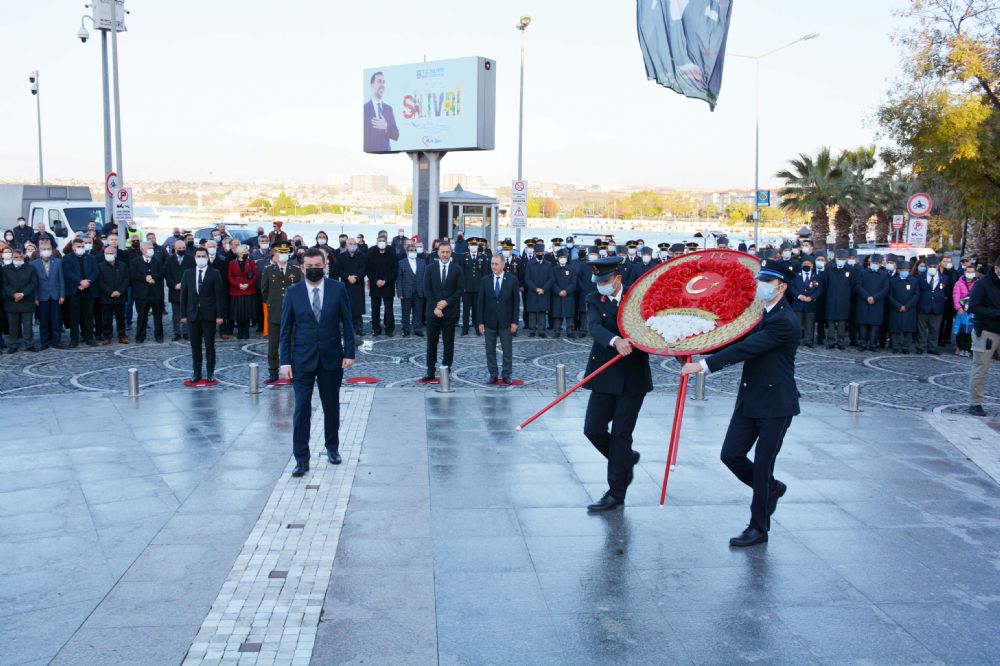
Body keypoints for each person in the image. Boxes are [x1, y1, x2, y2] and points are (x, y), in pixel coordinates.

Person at [680, 259, 800, 547]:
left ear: (781, 286)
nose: (761, 286)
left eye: (767, 282)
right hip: (750, 398)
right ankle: (772, 489)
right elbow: (735, 338)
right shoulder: (763, 313)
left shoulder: (784, 320)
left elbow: (748, 348)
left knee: (761, 466)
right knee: (730, 455)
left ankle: (758, 528)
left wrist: (704, 366)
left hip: (775, 404)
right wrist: (694, 346)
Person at [582, 258, 652, 512]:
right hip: (604, 371)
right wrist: (614, 341)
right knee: (593, 429)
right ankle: (625, 460)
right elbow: (594, 326)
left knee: (621, 435)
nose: (601, 285)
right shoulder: (593, 299)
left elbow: (655, 328)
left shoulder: (637, 298)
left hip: (633, 377)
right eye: (598, 281)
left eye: (605, 281)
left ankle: (616, 493)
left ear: (617, 278)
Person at [279, 248, 356, 477]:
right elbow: (285, 331)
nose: (314, 269)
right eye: (309, 266)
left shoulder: (337, 288)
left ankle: (332, 448)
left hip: (332, 358)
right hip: (302, 360)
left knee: (331, 406)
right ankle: (301, 459)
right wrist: (285, 362)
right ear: (302, 267)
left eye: (317, 266)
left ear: (325, 265)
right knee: (301, 410)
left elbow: (347, 323)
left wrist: (349, 353)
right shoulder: (292, 292)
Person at [180, 247, 225, 382]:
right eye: (198, 256)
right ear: (195, 258)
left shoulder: (215, 273)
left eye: (203, 256)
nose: (200, 258)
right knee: (195, 346)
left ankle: (210, 372)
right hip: (193, 314)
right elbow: (184, 295)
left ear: (207, 257)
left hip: (209, 314)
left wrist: (219, 315)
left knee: (210, 345)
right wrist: (183, 314)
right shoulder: (188, 273)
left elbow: (219, 296)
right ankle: (197, 372)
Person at [421, 242, 463, 382]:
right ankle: (430, 370)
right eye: (443, 252)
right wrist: (437, 307)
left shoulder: (457, 269)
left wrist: (447, 302)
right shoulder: (430, 268)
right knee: (431, 343)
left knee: (448, 343)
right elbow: (426, 289)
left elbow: (459, 290)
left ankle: (446, 370)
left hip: (450, 312)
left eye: (447, 252)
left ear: (451, 253)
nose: (445, 254)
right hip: (433, 311)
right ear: (438, 253)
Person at [477, 254, 520, 385]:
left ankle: (506, 374)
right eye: (492, 264)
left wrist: (514, 322)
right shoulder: (485, 280)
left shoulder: (512, 280)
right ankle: (493, 374)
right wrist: (480, 322)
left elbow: (516, 303)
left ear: (503, 265)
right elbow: (480, 303)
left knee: (507, 350)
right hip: (489, 321)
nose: (493, 266)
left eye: (496, 264)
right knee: (490, 350)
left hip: (506, 321)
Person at [261, 242, 301, 382]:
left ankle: (292, 370)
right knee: (273, 344)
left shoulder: (295, 270)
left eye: (285, 253)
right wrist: (272, 304)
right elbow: (264, 291)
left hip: (292, 312)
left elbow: (300, 289)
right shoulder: (268, 270)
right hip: (275, 312)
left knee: (292, 343)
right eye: (280, 252)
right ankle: (273, 370)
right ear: (275, 254)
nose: (282, 255)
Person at [967, 255, 1000, 416]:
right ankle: (975, 403)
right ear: (997, 268)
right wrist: (996, 313)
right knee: (981, 367)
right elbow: (973, 307)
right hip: (987, 331)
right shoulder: (983, 284)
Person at [62, 237, 99, 347]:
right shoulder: (67, 259)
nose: (81, 249)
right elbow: (67, 273)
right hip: (75, 291)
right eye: (79, 247)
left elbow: (95, 271)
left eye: (82, 246)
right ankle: (74, 339)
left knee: (88, 316)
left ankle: (89, 338)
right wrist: (79, 282)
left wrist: (87, 282)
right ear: (73, 247)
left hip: (88, 290)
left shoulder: (91, 258)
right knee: (74, 316)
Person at [129, 241, 165, 343]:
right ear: (142, 250)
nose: (151, 250)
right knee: (142, 316)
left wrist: (152, 277)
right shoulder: (135, 262)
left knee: (158, 316)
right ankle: (140, 336)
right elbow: (133, 275)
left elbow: (162, 272)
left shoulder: (157, 261)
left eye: (152, 248)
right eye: (149, 248)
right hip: (142, 294)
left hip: (156, 293)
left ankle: (159, 336)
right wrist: (145, 278)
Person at [31, 241, 65, 350]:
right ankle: (44, 341)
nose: (46, 251)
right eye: (44, 249)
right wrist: (35, 297)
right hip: (42, 296)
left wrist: (62, 295)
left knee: (55, 320)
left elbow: (61, 280)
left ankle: (56, 341)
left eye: (48, 249)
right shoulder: (34, 264)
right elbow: (34, 283)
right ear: (40, 251)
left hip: (55, 295)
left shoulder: (58, 262)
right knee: (44, 320)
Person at [3, 248, 38, 352]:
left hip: (26, 300)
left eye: (20, 257)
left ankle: (29, 344)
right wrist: (13, 294)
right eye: (16, 257)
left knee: (27, 325)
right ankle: (13, 345)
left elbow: (33, 283)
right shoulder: (5, 269)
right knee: (13, 326)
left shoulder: (30, 268)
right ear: (12, 257)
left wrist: (23, 294)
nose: (18, 259)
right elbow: (5, 284)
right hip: (12, 301)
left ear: (24, 257)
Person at [854, 253, 889, 351]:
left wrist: (875, 297)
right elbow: (858, 286)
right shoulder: (863, 273)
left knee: (875, 325)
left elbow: (885, 289)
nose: (875, 264)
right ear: (870, 262)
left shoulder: (884, 274)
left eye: (877, 263)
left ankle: (873, 344)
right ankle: (863, 343)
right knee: (863, 324)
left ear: (880, 264)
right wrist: (867, 297)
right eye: (874, 262)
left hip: (877, 303)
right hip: (864, 302)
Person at [820, 249, 854, 349]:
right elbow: (825, 283)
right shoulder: (829, 269)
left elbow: (853, 284)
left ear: (846, 259)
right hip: (831, 298)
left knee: (842, 321)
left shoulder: (850, 270)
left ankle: (841, 342)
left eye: (843, 259)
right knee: (830, 321)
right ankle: (830, 341)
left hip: (844, 300)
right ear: (835, 259)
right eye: (839, 258)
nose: (841, 260)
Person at [365, 235, 398, 336]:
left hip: (388, 285)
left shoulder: (392, 254)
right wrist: (376, 281)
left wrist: (385, 280)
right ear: (376, 241)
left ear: (386, 242)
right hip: (375, 286)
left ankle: (389, 328)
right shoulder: (371, 254)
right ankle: (376, 329)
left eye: (383, 240)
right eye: (380, 240)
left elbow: (394, 271)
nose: (381, 242)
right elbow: (368, 270)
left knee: (389, 309)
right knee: (375, 309)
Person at [916, 255, 949, 355]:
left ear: (938, 266)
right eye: (930, 266)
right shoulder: (920, 277)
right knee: (921, 329)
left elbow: (947, 292)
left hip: (937, 307)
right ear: (926, 266)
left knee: (934, 329)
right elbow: (917, 291)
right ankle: (920, 347)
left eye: (934, 266)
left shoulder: (945, 278)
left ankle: (932, 347)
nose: (932, 268)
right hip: (923, 306)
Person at [97, 245, 130, 344]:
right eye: (107, 253)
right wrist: (110, 292)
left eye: (111, 253)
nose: (109, 255)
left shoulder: (122, 265)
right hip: (106, 296)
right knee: (106, 318)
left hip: (120, 295)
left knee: (121, 318)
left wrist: (119, 291)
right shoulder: (100, 266)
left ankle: (122, 335)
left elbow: (126, 279)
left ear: (115, 254)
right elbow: (100, 282)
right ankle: (107, 336)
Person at [363, 71, 400, 152]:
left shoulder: (388, 109)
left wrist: (386, 127)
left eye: (383, 82)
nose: (382, 85)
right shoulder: (364, 109)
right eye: (379, 81)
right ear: (372, 85)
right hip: (369, 156)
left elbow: (396, 135)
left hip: (387, 155)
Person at [165, 239, 194, 340]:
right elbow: (167, 274)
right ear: (175, 248)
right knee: (176, 313)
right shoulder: (169, 259)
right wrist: (174, 285)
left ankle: (186, 332)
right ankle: (176, 333)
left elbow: (193, 273)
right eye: (179, 248)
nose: (182, 250)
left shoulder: (191, 259)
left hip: (187, 290)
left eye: (183, 248)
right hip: (174, 290)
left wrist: (185, 284)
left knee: (187, 312)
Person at [888, 261, 919, 354]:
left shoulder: (914, 281)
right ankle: (896, 346)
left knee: (908, 329)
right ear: (898, 270)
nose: (904, 271)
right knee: (895, 328)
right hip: (896, 308)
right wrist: (898, 306)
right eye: (902, 270)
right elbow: (889, 296)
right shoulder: (893, 281)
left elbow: (916, 295)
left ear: (909, 270)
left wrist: (907, 306)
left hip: (909, 309)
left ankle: (906, 347)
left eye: (906, 270)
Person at [227, 245, 257, 340]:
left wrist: (248, 284)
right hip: (236, 291)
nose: (244, 254)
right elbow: (230, 276)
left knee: (247, 312)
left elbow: (255, 275)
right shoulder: (232, 263)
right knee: (238, 313)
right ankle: (240, 331)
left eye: (245, 253)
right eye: (242, 253)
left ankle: (246, 331)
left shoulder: (250, 262)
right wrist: (238, 285)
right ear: (238, 254)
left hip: (248, 290)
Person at [337, 239, 366, 337]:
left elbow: (364, 269)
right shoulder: (341, 257)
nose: (352, 245)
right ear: (346, 245)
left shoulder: (361, 256)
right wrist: (348, 277)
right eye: (350, 244)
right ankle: (347, 328)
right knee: (346, 307)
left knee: (358, 308)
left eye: (354, 244)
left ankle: (359, 329)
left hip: (358, 285)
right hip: (346, 285)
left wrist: (356, 277)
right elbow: (339, 270)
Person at [397, 241, 426, 337]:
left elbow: (425, 277)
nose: (413, 251)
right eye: (411, 250)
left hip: (419, 291)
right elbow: (399, 279)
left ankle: (417, 329)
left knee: (418, 312)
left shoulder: (422, 262)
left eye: (414, 250)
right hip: (406, 292)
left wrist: (424, 291)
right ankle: (406, 329)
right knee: (405, 312)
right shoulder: (401, 263)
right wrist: (400, 292)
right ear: (407, 252)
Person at [524, 243, 553, 338]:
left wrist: (543, 289)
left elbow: (551, 279)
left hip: (544, 291)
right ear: (535, 253)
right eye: (538, 252)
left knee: (542, 311)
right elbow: (527, 279)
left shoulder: (548, 264)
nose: (540, 254)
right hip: (533, 291)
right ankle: (532, 330)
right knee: (532, 311)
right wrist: (536, 289)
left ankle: (542, 330)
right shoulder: (530, 264)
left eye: (542, 252)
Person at [461, 237, 487, 335]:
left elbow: (485, 273)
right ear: (468, 246)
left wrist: (483, 287)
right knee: (466, 310)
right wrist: (462, 286)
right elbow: (461, 273)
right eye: (471, 245)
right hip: (466, 288)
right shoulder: (464, 257)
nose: (473, 247)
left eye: (475, 245)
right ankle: (465, 328)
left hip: (478, 288)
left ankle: (477, 328)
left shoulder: (482, 257)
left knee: (477, 310)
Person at [550, 249, 577, 337]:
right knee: (557, 314)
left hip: (568, 295)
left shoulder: (571, 269)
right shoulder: (553, 269)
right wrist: (558, 291)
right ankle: (557, 331)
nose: (563, 258)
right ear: (558, 258)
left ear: (567, 258)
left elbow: (573, 282)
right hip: (557, 295)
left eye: (564, 257)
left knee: (569, 314)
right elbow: (552, 282)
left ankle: (570, 331)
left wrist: (566, 291)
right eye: (561, 257)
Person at [953, 264, 978, 357]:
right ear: (964, 272)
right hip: (962, 310)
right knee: (961, 330)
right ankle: (960, 347)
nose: (970, 273)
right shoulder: (959, 283)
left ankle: (968, 349)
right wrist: (958, 307)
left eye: (972, 272)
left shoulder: (978, 283)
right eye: (968, 272)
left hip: (972, 311)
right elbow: (956, 296)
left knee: (971, 331)